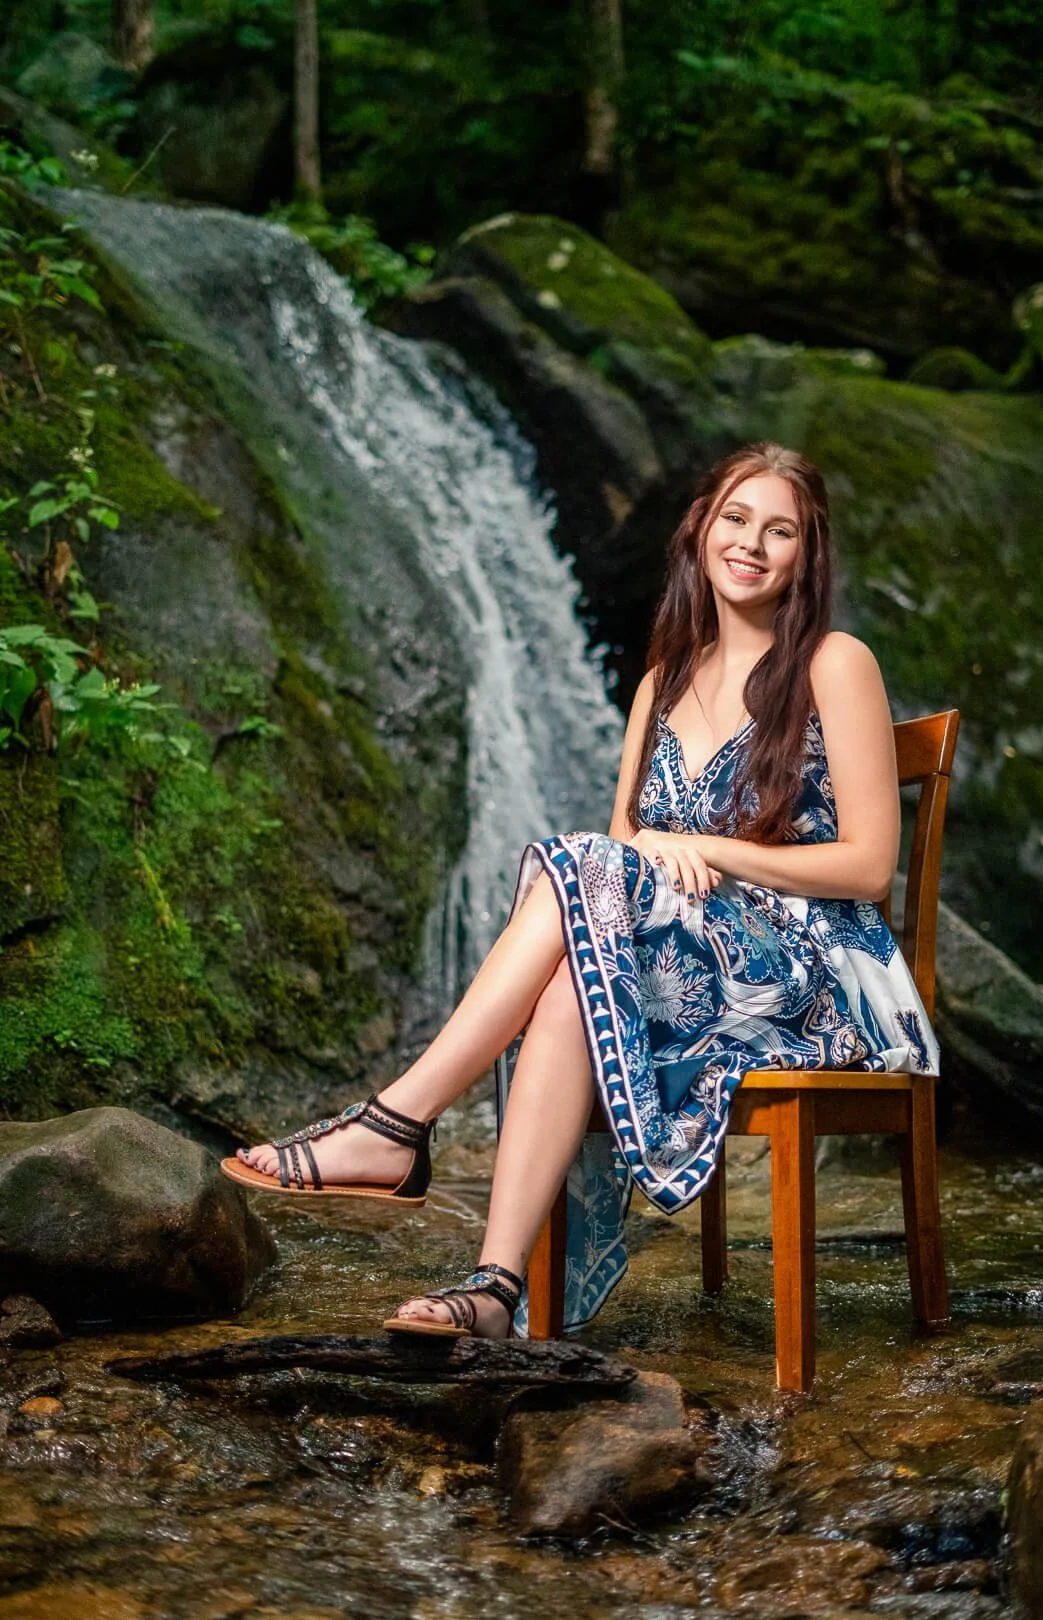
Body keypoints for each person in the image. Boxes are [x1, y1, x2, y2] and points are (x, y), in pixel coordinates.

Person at [221, 441, 938, 1339]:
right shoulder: (660, 687)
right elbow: (624, 861)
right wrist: (655, 853)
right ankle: (493, 1287)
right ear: (701, 531)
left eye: (780, 529)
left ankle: (397, 1121)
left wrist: (705, 847)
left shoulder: (835, 661)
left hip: (819, 979)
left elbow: (869, 868)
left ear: (808, 552)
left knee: (587, 866)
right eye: (736, 518)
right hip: (696, 967)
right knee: (568, 978)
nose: (753, 542)